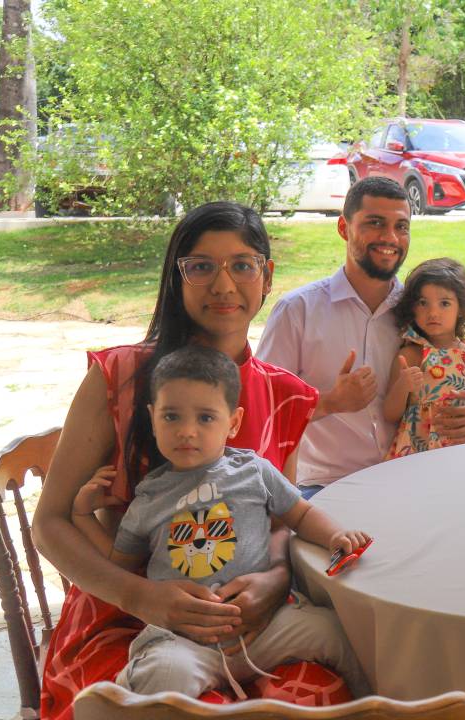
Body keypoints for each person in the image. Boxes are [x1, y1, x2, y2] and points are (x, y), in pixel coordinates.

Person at [32, 202, 347, 719]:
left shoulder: (285, 394)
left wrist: (273, 582)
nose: (223, 285)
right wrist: (142, 597)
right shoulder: (120, 376)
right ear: (177, 278)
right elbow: (48, 524)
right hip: (123, 621)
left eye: (242, 265)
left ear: (267, 277)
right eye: (201, 266)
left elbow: (280, 521)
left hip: (252, 623)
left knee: (324, 691)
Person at [72, 345, 369, 699]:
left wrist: (335, 535)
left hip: (267, 627)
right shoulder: (148, 497)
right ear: (152, 418)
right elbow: (120, 565)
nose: (187, 431)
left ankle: (374, 707)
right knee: (161, 675)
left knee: (333, 631)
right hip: (184, 641)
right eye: (171, 416)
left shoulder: (254, 471)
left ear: (234, 422)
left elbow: (301, 514)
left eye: (205, 418)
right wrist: (83, 517)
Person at [258, 177, 465, 497]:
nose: (390, 237)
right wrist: (331, 402)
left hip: (416, 478)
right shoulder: (298, 311)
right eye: (375, 223)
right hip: (328, 487)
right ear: (343, 228)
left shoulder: (421, 312)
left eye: (401, 226)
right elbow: (262, 410)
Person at [383, 258, 465, 458]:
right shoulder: (411, 355)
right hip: (423, 453)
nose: (433, 312)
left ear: (461, 308)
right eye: (423, 303)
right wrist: (402, 386)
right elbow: (390, 414)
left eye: (444, 303)